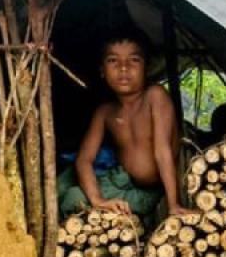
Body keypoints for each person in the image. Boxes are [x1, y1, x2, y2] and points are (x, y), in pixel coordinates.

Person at [58, 28, 192, 218]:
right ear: (102, 71)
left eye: (134, 60)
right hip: (120, 181)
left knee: (72, 199)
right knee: (66, 192)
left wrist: (173, 205)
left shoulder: (155, 96)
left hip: (147, 193)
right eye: (113, 60)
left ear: (147, 67)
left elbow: (163, 151)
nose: (123, 68)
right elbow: (83, 159)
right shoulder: (106, 112)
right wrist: (98, 200)